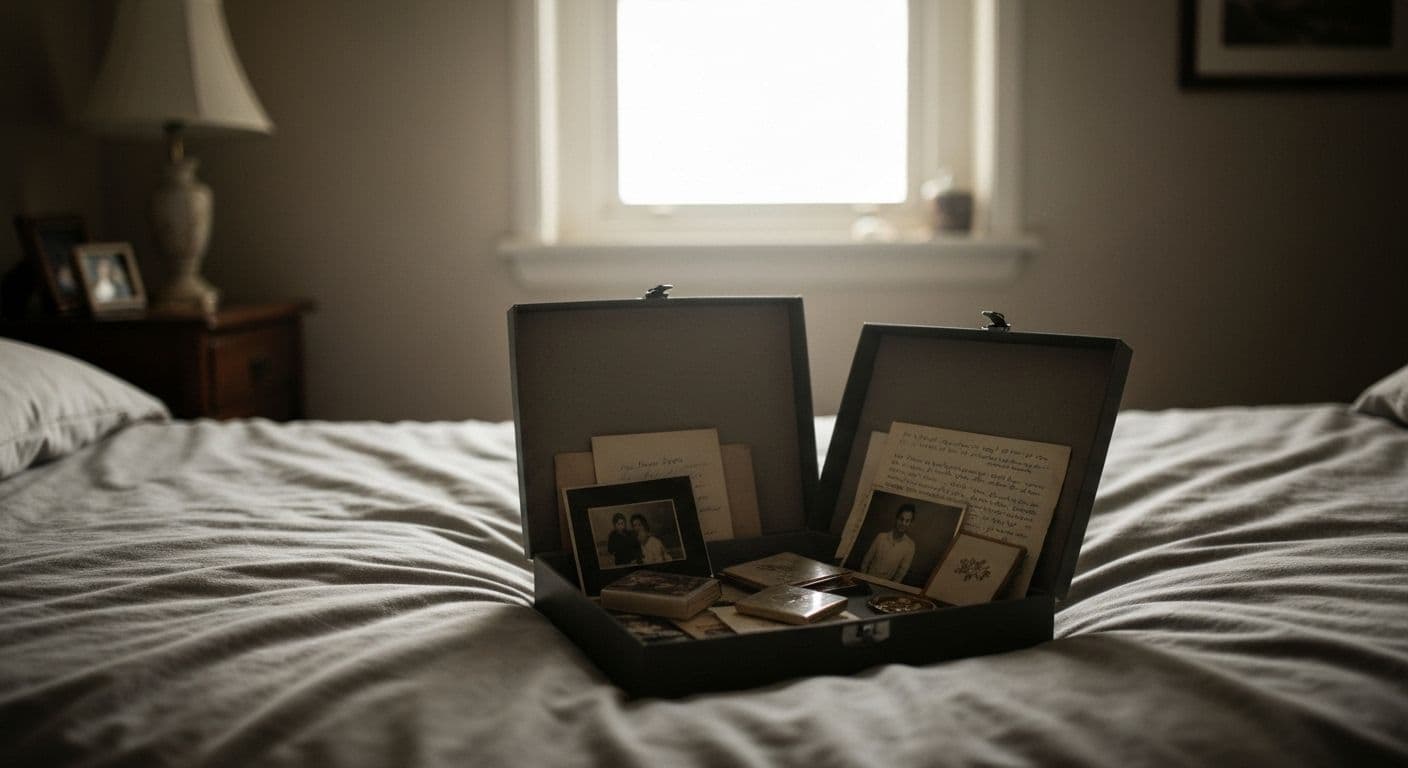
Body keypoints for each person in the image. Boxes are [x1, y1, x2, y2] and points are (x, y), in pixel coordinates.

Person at [860, 503, 917, 583]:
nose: (903, 523)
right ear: (896, 519)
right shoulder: (881, 537)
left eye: (907, 521)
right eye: (901, 519)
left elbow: (901, 573)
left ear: (910, 523)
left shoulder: (910, 546)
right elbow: (866, 561)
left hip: (885, 586)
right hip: (867, 580)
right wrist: (863, 580)